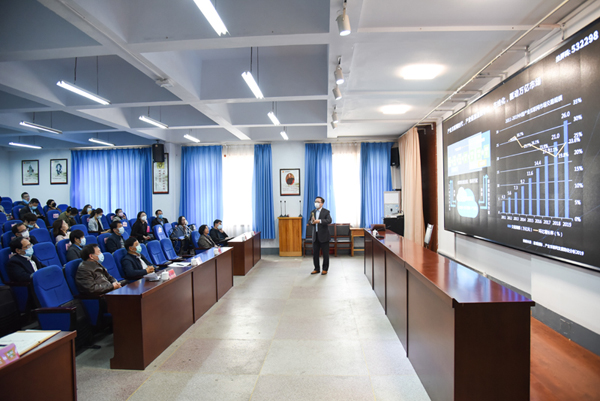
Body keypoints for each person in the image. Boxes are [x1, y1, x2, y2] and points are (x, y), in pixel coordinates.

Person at [310, 196, 332, 275]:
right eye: (315, 201)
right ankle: (316, 268)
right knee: (315, 253)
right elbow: (310, 222)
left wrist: (319, 221)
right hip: (315, 236)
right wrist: (312, 222)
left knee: (325, 254)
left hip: (324, 236)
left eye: (318, 202)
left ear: (322, 203)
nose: (316, 203)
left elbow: (329, 220)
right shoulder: (312, 212)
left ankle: (325, 269)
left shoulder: (326, 212)